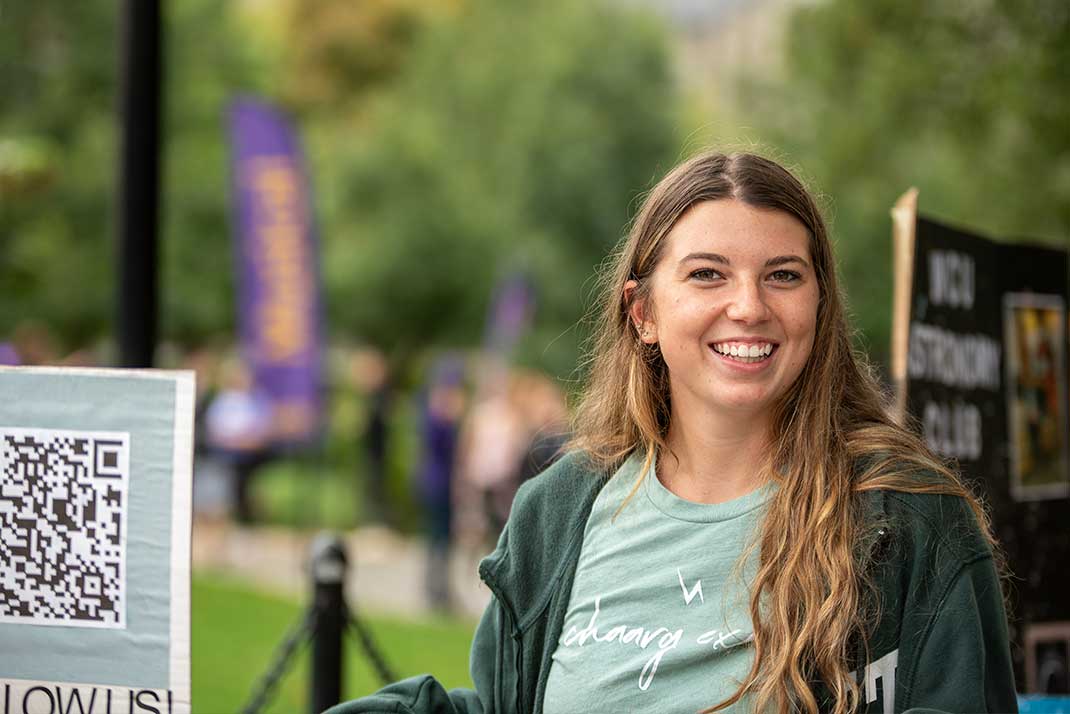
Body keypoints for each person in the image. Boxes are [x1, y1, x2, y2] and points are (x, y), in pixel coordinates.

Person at [327, 151, 1016, 713]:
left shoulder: (910, 520)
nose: (748, 306)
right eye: (708, 274)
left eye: (782, 275)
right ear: (643, 312)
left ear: (820, 305)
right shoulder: (561, 508)